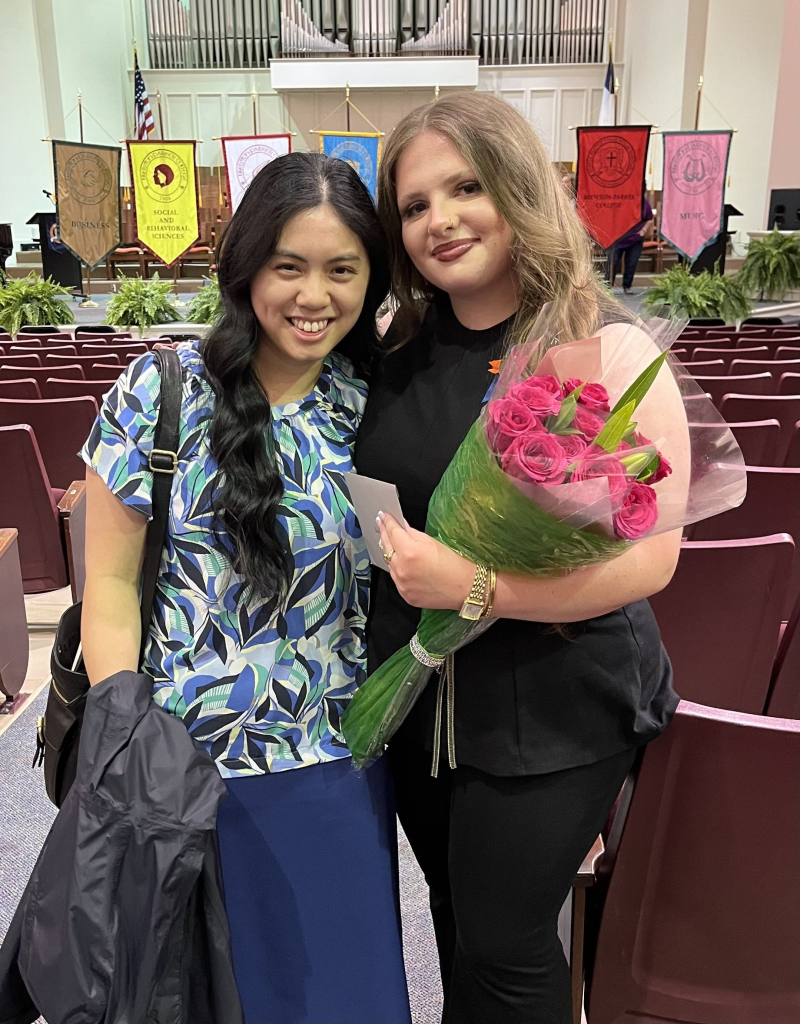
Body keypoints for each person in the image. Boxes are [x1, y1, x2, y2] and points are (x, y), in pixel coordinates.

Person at [355, 92, 684, 1024]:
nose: (439, 220)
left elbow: (655, 555)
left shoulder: (603, 345)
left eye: (465, 188)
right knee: (457, 917)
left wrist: (483, 586)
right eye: (414, 206)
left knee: (506, 941)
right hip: (423, 698)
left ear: (518, 188)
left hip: (555, 698)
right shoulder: (398, 354)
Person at [79, 153, 411, 1024]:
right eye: (288, 266)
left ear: (372, 277)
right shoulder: (161, 392)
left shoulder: (376, 402)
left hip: (337, 768)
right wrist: (122, 748)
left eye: (342, 270)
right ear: (246, 267)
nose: (314, 296)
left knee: (342, 1001)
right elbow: (110, 588)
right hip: (184, 778)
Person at [611, 195, 654, 293]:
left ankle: (627, 286)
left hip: (636, 238)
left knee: (631, 263)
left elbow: (649, 218)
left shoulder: (643, 202)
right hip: (617, 238)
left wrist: (644, 229)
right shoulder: (618, 199)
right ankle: (608, 286)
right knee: (613, 262)